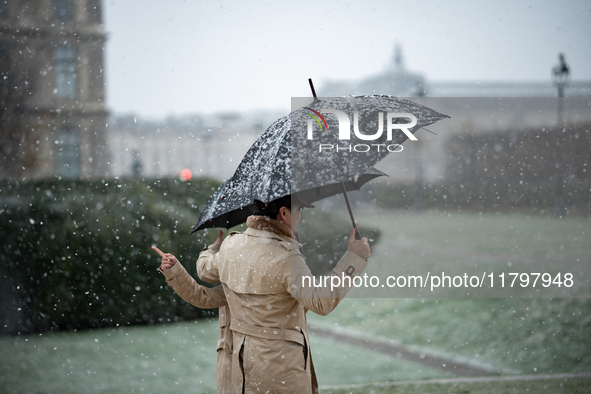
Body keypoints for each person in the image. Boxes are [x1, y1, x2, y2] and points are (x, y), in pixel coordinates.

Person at [196, 194, 371, 393]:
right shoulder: (287, 255)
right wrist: (354, 259)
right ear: (284, 212)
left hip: (242, 366)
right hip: (281, 371)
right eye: (299, 210)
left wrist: (213, 248)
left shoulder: (231, 245)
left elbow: (204, 270)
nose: (300, 217)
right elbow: (321, 303)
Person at [152, 246, 232, 393]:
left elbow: (202, 289)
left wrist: (210, 250)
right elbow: (201, 296)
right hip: (236, 371)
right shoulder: (239, 261)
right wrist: (174, 269)